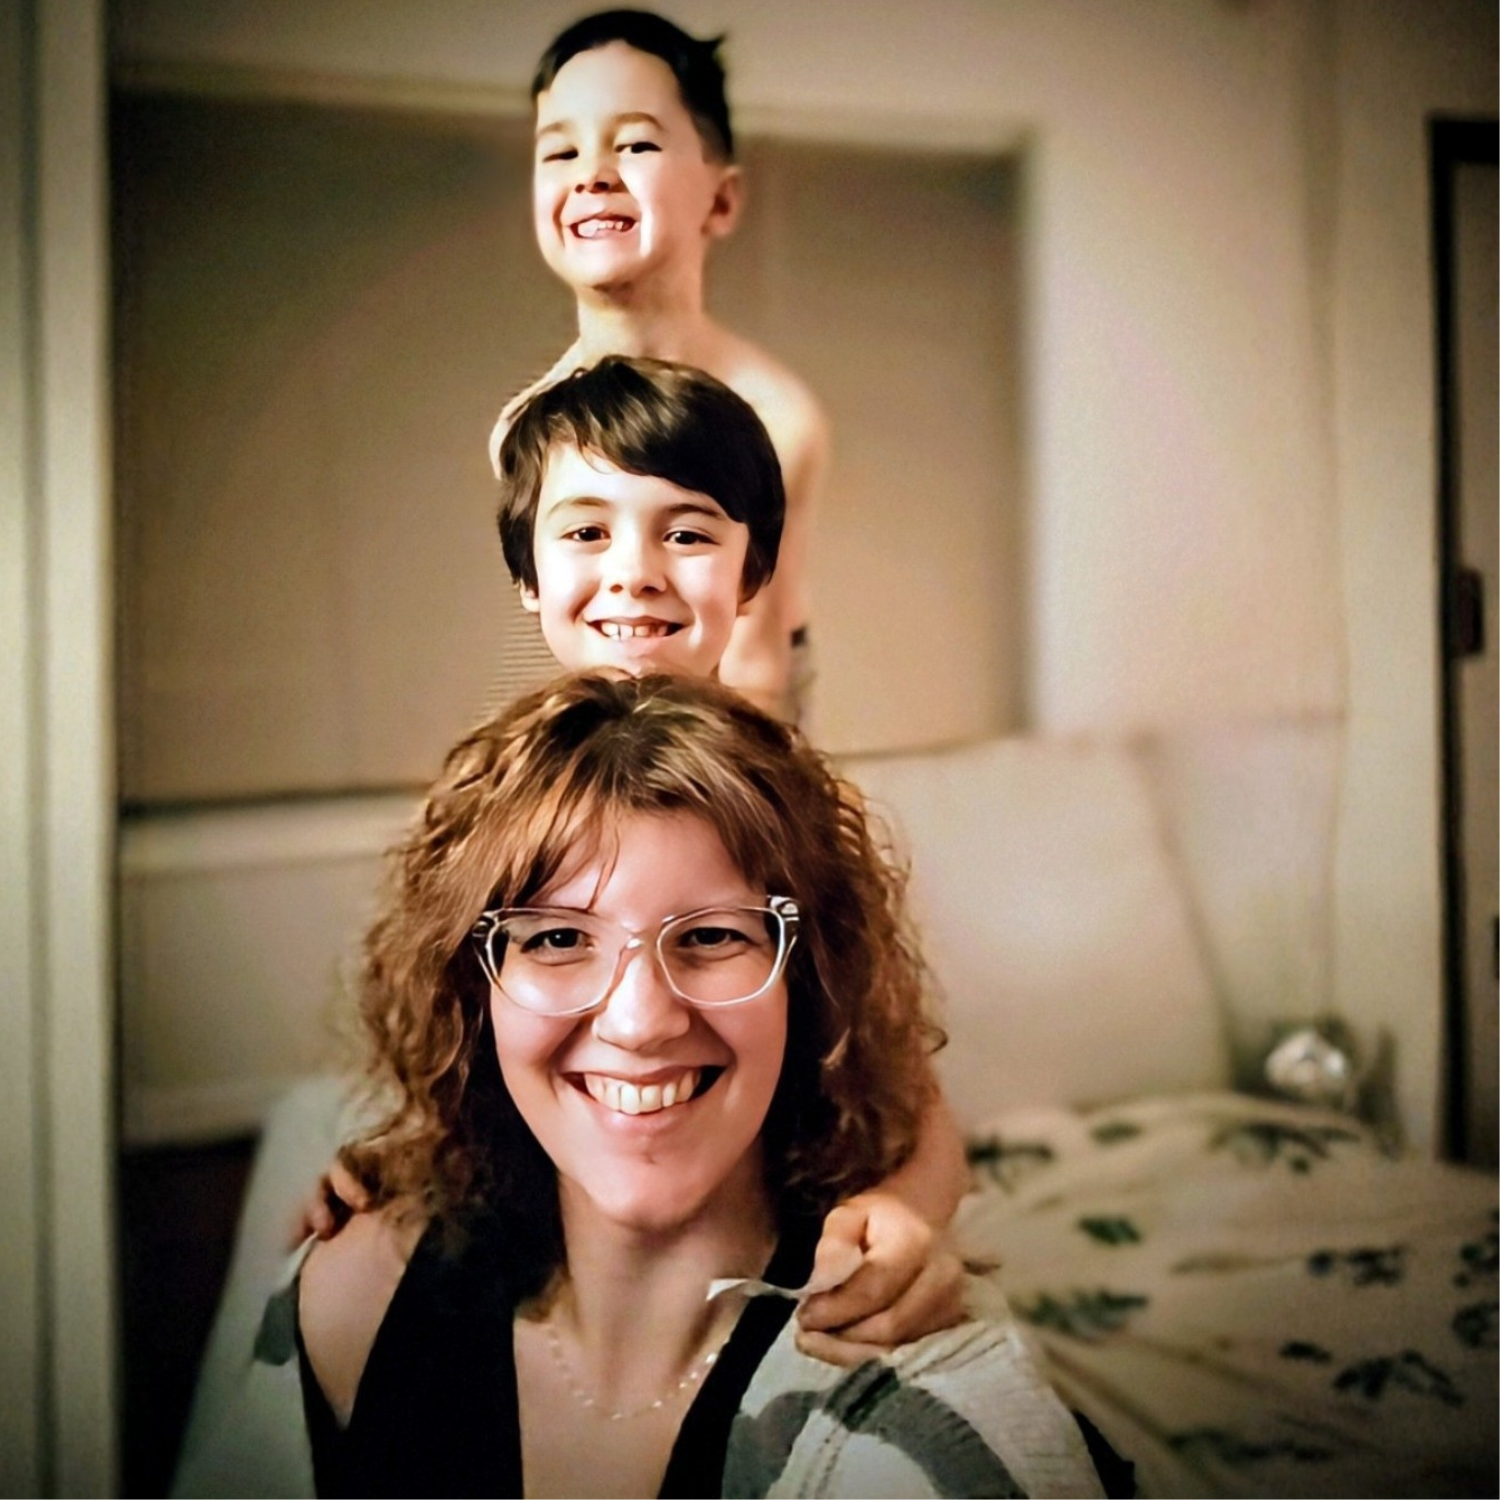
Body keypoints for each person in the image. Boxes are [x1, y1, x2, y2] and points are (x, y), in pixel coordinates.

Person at [228, 673, 1107, 1497]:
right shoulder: (349, 1306)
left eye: (716, 937)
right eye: (558, 940)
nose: (640, 1021)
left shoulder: (920, 1424)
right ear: (473, 992)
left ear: (810, 982)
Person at [304, 354, 974, 1368]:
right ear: (527, 574)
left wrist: (899, 1213)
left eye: (689, 532)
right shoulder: (499, 798)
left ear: (754, 574)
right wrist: (406, 1155)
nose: (634, 572)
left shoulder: (790, 802)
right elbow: (481, 1045)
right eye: (585, 532)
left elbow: (900, 1081)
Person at [489, 7, 827, 723]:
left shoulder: (774, 415)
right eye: (560, 152)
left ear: (723, 196)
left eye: (635, 144)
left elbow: (757, 667)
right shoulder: (525, 428)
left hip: (736, 747)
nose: (593, 176)